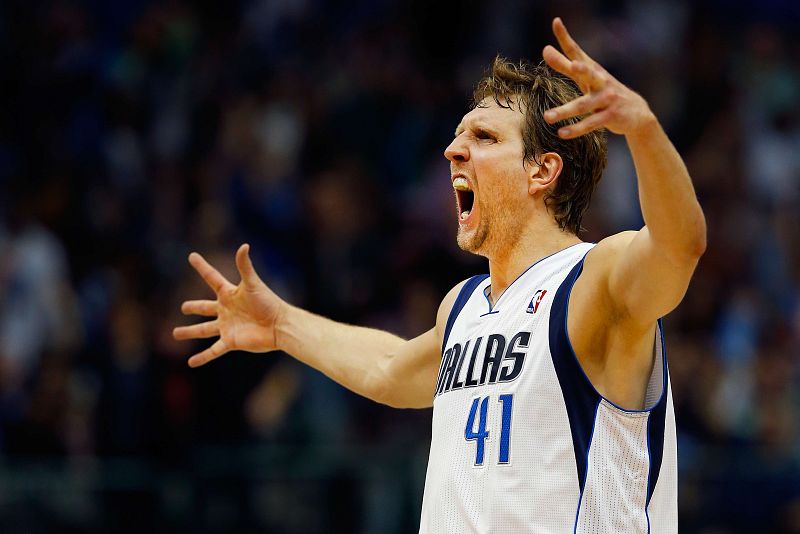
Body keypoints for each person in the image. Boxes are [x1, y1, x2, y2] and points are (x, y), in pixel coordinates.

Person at [174, 17, 705, 533]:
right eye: (457, 135)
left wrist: (643, 128)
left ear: (542, 171)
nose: (453, 150)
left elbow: (680, 245)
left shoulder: (594, 279)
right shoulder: (465, 304)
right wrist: (282, 326)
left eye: (484, 137)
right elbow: (388, 368)